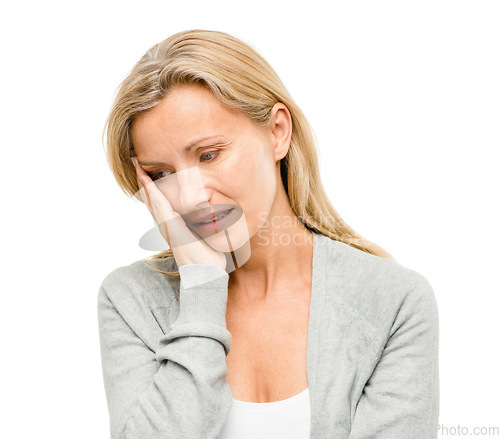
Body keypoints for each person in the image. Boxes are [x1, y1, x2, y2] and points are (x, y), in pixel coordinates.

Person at [97, 29, 440, 439]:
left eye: (209, 155)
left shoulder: (392, 301)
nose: (189, 197)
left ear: (278, 132)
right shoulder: (131, 299)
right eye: (162, 174)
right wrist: (201, 291)